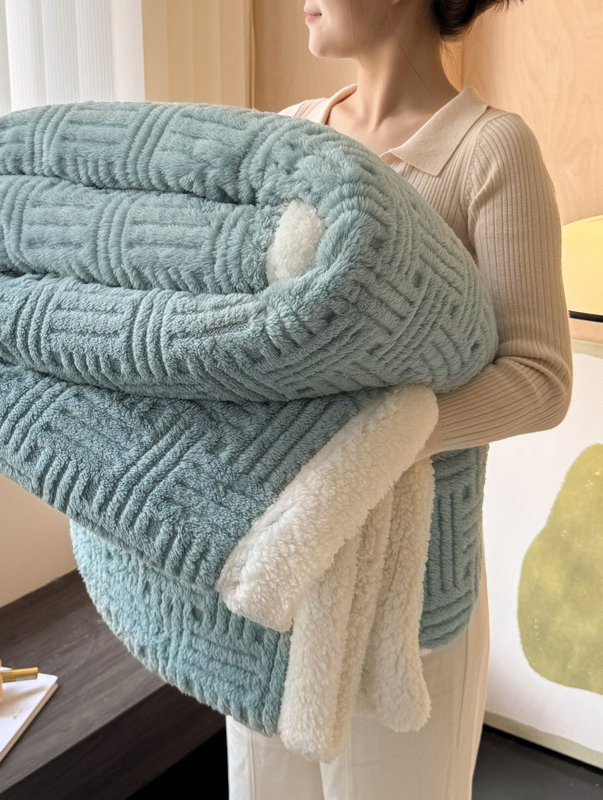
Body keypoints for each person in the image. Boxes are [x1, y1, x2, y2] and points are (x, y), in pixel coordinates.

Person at [225, 0, 574, 798]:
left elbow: (540, 378)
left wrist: (366, 443)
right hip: (275, 576)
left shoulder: (489, 151)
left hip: (412, 592)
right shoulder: (289, 135)